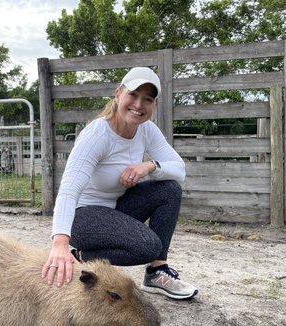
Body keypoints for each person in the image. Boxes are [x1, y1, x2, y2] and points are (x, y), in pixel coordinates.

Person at [41, 67, 198, 300]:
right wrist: (60, 243)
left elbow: (179, 170)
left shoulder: (146, 130)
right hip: (83, 216)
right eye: (133, 95)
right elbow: (69, 190)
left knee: (169, 189)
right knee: (146, 246)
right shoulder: (97, 134)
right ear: (118, 94)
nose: (138, 104)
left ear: (154, 105)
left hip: (116, 207)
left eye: (147, 99)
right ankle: (79, 255)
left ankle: (157, 271)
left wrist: (149, 166)